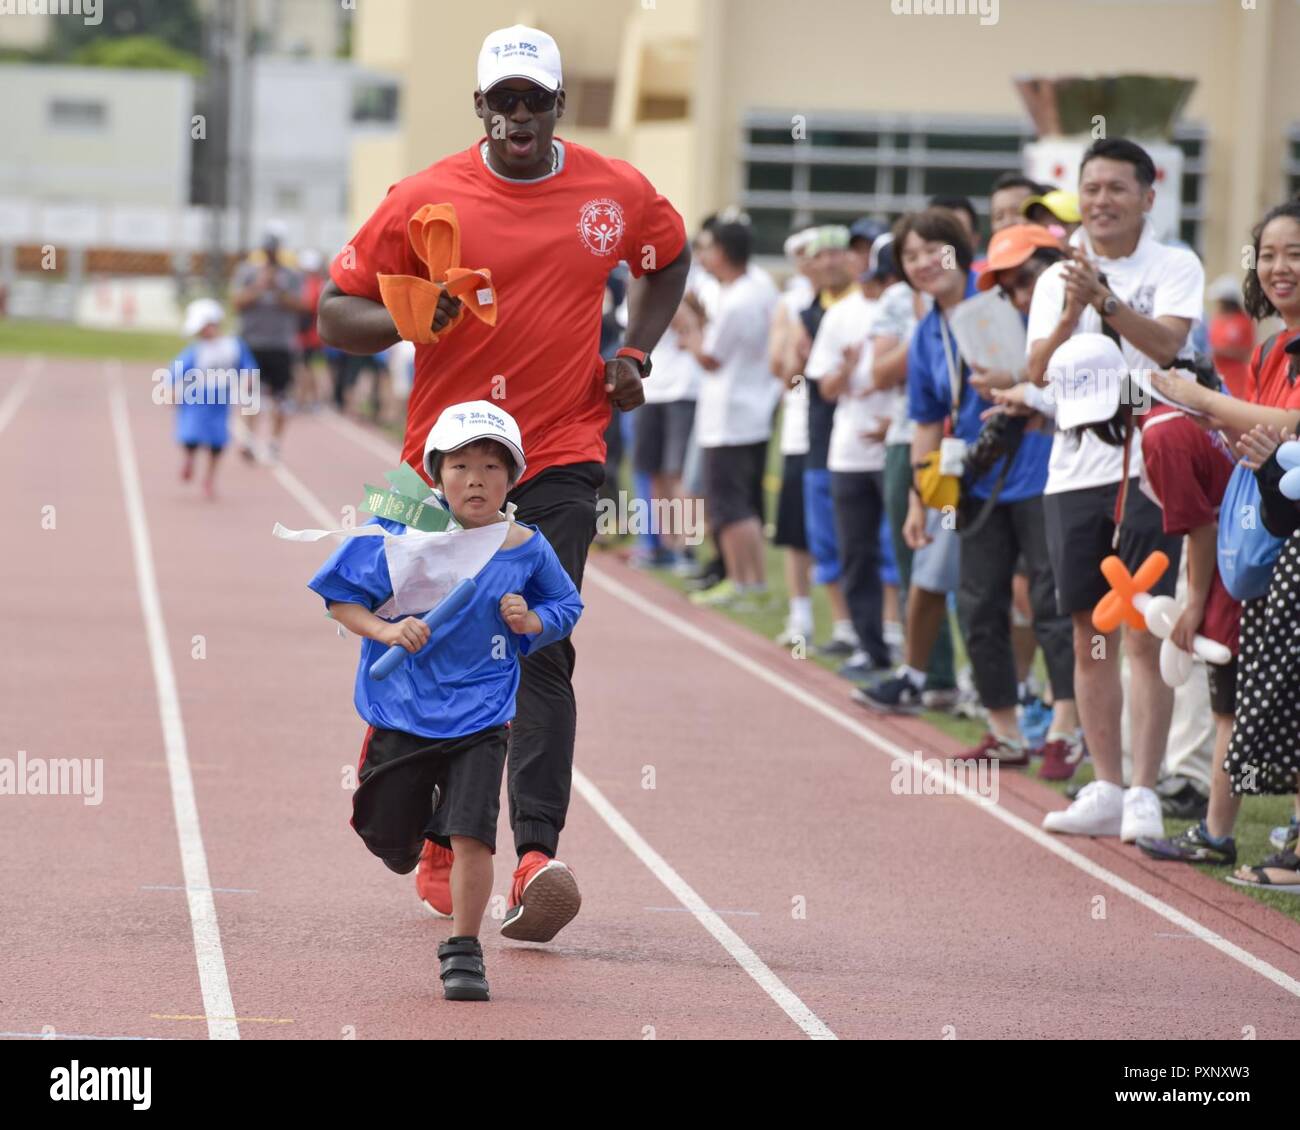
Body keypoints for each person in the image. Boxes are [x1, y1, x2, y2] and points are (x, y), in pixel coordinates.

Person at [318, 24, 689, 942]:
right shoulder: (424, 197)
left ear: (558, 105)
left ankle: (532, 857)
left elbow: (667, 255)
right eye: (504, 101)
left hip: (561, 451)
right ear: (481, 108)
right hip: (447, 464)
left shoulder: (614, 191)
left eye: (536, 100)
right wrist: (409, 316)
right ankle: (440, 829)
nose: (519, 116)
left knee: (537, 642)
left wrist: (635, 349)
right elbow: (334, 312)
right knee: (436, 642)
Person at [308, 404, 583, 1000]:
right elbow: (337, 597)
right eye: (461, 465)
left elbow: (567, 607)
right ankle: (415, 836)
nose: (476, 478)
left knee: (473, 836)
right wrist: (385, 632)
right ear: (437, 472)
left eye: (492, 465)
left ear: (513, 478)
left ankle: (464, 952)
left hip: (483, 714)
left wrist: (532, 620)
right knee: (385, 831)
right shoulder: (400, 533)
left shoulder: (525, 548)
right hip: (403, 708)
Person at [1025, 138, 1204, 840]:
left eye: (1116, 189)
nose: (1101, 201)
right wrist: (1073, 311)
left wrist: (1107, 301)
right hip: (1073, 474)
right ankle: (1102, 784)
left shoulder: (1174, 265)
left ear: (1147, 196)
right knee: (1087, 631)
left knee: (1141, 623)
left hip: (1147, 467)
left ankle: (1143, 787)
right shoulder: (1053, 277)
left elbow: (1168, 347)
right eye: (1091, 188)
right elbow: (1037, 369)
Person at [803, 231, 895, 679]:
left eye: (867, 250)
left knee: (900, 549)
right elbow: (824, 386)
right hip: (850, 449)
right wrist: (847, 365)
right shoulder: (842, 313)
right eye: (856, 250)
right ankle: (868, 643)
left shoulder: (910, 308)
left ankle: (900, 641)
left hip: (900, 444)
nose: (861, 259)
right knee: (855, 551)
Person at [682, 217, 778, 606]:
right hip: (751, 409)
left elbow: (710, 358)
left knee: (730, 505)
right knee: (742, 502)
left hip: (729, 414)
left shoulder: (737, 298)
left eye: (706, 248)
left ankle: (744, 582)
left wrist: (688, 330)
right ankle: (751, 583)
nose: (701, 256)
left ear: (721, 252)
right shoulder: (758, 287)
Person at [769, 228, 819, 646]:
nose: (813, 263)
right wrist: (798, 355)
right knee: (796, 527)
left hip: (847, 437)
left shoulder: (856, 302)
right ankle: (801, 616)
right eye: (804, 256)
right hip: (802, 430)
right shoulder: (792, 302)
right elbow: (783, 372)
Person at [633, 291, 703, 570]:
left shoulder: (685, 282)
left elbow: (681, 317)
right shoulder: (638, 291)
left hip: (682, 389)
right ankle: (666, 545)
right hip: (650, 391)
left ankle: (686, 547)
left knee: (678, 472)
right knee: (654, 472)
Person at [166, 298, 257, 501]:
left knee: (217, 443)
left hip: (220, 401)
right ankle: (189, 459)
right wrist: (171, 390)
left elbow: (248, 366)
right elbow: (176, 369)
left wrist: (246, 381)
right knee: (190, 438)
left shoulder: (234, 346)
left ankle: (209, 479)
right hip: (195, 400)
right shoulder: (197, 350)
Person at [232, 223, 302, 463]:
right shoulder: (248, 272)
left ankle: (274, 443)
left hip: (280, 344)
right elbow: (236, 303)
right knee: (251, 396)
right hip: (252, 342)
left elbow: (301, 307)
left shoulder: (292, 275)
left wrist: (278, 289)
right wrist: (259, 286)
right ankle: (249, 439)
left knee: (280, 397)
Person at [1205, 275, 1254, 401]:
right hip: (1217, 378)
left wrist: (1222, 351)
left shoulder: (1243, 321)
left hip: (1237, 381)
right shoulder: (1217, 320)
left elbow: (1247, 352)